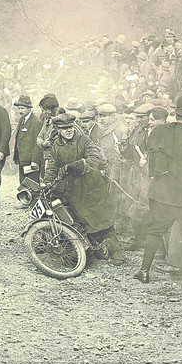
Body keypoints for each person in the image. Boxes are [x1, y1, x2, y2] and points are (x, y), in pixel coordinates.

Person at [134, 93, 182, 291]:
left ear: (175, 113)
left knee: (155, 230)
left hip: (161, 193)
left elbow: (151, 155)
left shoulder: (158, 131)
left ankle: (144, 271)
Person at [41, 113, 125, 265]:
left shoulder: (84, 140)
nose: (69, 131)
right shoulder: (56, 146)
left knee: (102, 220)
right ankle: (90, 251)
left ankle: (115, 251)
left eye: (71, 127)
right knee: (79, 221)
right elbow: (52, 167)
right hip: (72, 190)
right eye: (64, 128)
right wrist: (47, 183)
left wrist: (77, 165)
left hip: (91, 187)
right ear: (58, 130)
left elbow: (95, 158)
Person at [11, 94, 42, 189]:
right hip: (22, 158)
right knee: (23, 181)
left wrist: (35, 161)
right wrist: (16, 156)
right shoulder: (22, 120)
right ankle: (26, 202)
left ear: (29, 108)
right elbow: (18, 139)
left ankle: (33, 203)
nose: (20, 111)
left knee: (32, 183)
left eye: (22, 108)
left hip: (31, 160)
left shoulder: (36, 122)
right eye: (19, 108)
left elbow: (38, 144)